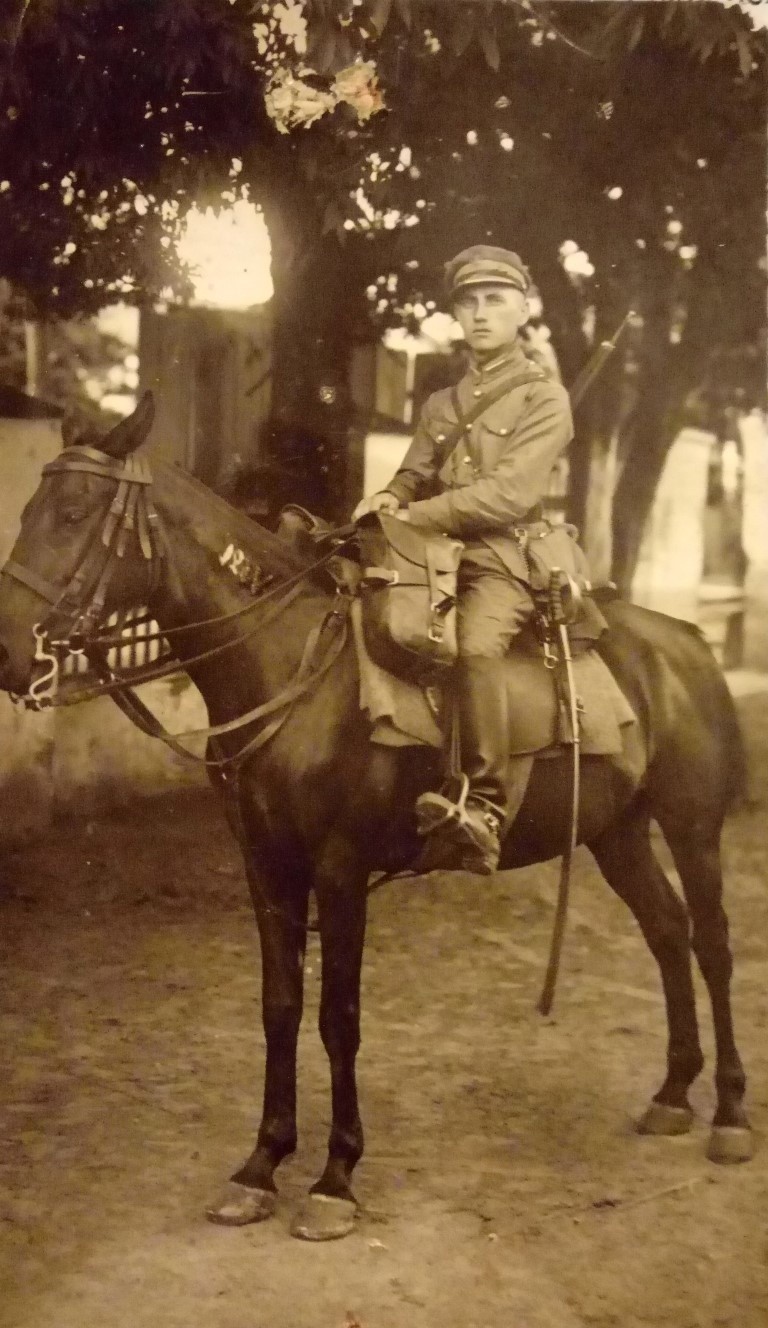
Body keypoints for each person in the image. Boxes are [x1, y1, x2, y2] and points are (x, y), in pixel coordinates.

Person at [353, 244, 574, 875]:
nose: (480, 315)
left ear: (523, 309)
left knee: (475, 648)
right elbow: (414, 474)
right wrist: (389, 497)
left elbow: (508, 495)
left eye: (495, 301)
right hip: (432, 555)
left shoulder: (544, 398)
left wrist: (411, 515)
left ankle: (485, 803)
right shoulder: (441, 403)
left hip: (505, 557)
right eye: (468, 303)